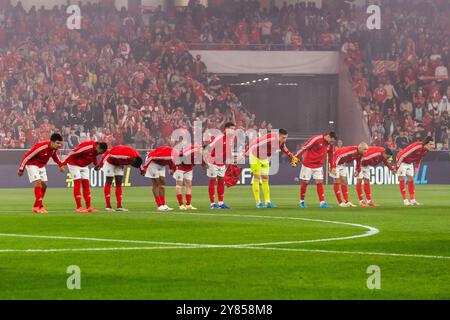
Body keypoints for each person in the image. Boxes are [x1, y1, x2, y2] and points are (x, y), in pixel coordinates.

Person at [241, 129, 298, 208]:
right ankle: (258, 202)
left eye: (286, 138)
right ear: (278, 135)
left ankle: (268, 202)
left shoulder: (281, 142)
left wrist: (292, 156)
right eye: (283, 138)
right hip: (255, 156)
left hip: (264, 158)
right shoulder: (269, 138)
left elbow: (284, 148)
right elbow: (254, 144)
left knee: (265, 178)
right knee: (257, 177)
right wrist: (243, 155)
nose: (285, 140)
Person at [17, 133, 65, 214]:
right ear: (52, 142)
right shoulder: (41, 147)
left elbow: (54, 156)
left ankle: (35, 207)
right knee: (38, 183)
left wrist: (60, 164)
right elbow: (27, 156)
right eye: (57, 143)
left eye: (60, 143)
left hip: (41, 166)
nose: (59, 145)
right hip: (32, 164)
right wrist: (21, 169)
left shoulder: (54, 149)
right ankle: (40, 206)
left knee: (44, 185)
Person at [294, 132, 337, 209]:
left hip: (318, 165)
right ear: (328, 136)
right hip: (308, 163)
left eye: (333, 142)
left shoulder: (330, 144)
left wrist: (333, 167)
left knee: (319, 182)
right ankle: (302, 201)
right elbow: (305, 147)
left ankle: (322, 202)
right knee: (305, 182)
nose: (331, 143)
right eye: (331, 141)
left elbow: (331, 156)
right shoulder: (316, 139)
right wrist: (296, 157)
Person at [62, 141, 108, 213]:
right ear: (98, 147)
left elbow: (93, 156)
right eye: (101, 152)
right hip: (74, 164)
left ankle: (88, 207)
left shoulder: (96, 149)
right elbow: (72, 153)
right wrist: (63, 164)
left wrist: (96, 164)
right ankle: (79, 207)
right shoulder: (87, 147)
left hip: (84, 165)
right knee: (77, 184)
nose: (100, 154)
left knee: (86, 185)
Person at [96, 146, 143, 212]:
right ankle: (108, 205)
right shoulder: (123, 155)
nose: (130, 164)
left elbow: (139, 163)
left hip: (119, 164)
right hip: (110, 162)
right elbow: (108, 154)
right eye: (131, 163)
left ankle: (119, 206)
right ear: (133, 158)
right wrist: (100, 165)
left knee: (119, 182)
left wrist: (141, 169)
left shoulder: (136, 157)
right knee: (109, 181)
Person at [204, 122, 236, 209]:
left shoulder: (230, 139)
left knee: (221, 181)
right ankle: (212, 204)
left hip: (222, 163)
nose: (233, 131)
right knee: (213, 181)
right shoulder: (219, 137)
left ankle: (221, 203)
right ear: (226, 129)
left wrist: (232, 161)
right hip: (213, 162)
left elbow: (228, 151)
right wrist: (206, 162)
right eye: (231, 129)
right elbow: (207, 148)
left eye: (234, 129)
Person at [396, 137, 434, 206]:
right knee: (402, 178)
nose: (432, 146)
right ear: (426, 144)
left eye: (433, 144)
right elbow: (403, 155)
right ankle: (405, 200)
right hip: (402, 160)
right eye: (431, 144)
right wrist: (397, 167)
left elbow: (418, 159)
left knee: (411, 179)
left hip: (409, 162)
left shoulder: (425, 150)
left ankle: (413, 200)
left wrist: (416, 169)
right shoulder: (417, 146)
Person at [140, 146, 178, 212]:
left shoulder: (176, 155)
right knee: (156, 183)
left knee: (163, 183)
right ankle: (159, 205)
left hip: (161, 164)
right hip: (152, 162)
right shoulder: (166, 154)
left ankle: (164, 204)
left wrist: (172, 169)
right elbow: (151, 157)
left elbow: (172, 162)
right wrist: (145, 168)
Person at [332, 143, 369, 207]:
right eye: (364, 149)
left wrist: (357, 170)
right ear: (359, 148)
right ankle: (340, 202)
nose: (366, 151)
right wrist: (334, 167)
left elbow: (358, 162)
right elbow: (338, 156)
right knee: (337, 181)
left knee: (344, 181)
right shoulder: (352, 151)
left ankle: (346, 201)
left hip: (342, 163)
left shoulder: (360, 154)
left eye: (366, 149)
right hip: (334, 161)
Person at [173, 145, 204, 210]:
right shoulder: (193, 150)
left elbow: (202, 160)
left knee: (189, 185)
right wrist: (176, 164)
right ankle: (181, 205)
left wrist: (204, 165)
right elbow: (181, 154)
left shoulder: (203, 153)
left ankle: (188, 205)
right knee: (179, 185)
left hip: (189, 168)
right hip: (180, 168)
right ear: (201, 148)